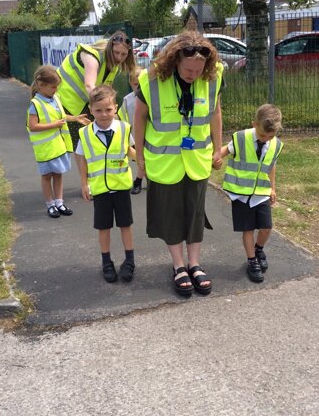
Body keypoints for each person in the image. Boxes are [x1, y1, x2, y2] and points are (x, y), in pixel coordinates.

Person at [133, 30, 224, 297]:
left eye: (198, 70)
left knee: (195, 214)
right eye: (187, 69)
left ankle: (195, 264)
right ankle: (179, 265)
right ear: (175, 60)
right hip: (163, 161)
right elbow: (139, 118)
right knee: (171, 215)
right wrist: (139, 157)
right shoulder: (149, 79)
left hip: (196, 159)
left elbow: (215, 112)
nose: (192, 74)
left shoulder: (213, 75)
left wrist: (218, 149)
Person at [76, 85, 136, 283]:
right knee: (104, 227)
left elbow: (130, 150)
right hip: (100, 188)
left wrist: (144, 162)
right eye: (98, 110)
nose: (103, 114)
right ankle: (106, 262)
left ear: (116, 108)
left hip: (121, 186)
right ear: (91, 110)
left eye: (108, 109)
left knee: (125, 224)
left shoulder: (124, 128)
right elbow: (81, 157)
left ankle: (129, 261)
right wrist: (84, 183)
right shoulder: (84, 134)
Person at [219, 104, 283, 283]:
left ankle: (259, 249)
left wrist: (272, 187)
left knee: (266, 227)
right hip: (240, 193)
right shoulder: (241, 138)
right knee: (247, 229)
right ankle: (252, 260)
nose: (266, 139)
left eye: (270, 136)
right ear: (254, 124)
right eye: (263, 135)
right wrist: (213, 160)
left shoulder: (274, 144)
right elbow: (224, 151)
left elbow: (271, 166)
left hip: (261, 193)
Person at [26, 65, 89, 218]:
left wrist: (75, 118)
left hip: (58, 146)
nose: (55, 90)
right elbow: (32, 126)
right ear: (41, 85)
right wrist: (54, 125)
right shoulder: (35, 104)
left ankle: (59, 202)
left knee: (58, 174)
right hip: (46, 149)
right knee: (47, 176)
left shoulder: (55, 98)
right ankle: (50, 204)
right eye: (53, 87)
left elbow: (60, 116)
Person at [57, 30, 136, 147]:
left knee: (93, 142)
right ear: (110, 48)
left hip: (87, 103)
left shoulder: (113, 66)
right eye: (116, 52)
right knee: (80, 145)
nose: (119, 57)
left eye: (123, 54)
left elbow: (106, 89)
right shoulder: (92, 57)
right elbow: (90, 85)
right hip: (67, 101)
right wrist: (105, 109)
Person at [117, 66, 146, 194]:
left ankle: (139, 181)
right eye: (135, 84)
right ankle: (142, 180)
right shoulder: (127, 100)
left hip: (149, 134)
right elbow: (122, 118)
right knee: (140, 159)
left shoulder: (149, 98)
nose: (138, 87)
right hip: (134, 136)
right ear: (130, 83)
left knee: (147, 158)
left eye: (141, 84)